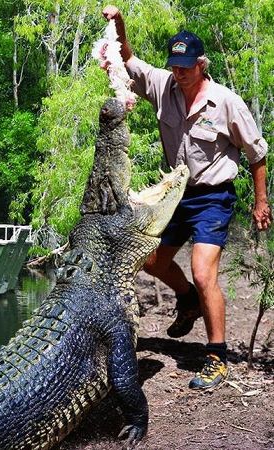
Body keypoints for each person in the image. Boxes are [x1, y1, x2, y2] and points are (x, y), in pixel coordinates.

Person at [102, 5, 271, 389]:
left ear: (202, 65)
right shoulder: (164, 85)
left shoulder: (226, 102)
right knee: (151, 261)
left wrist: (261, 202)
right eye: (175, 65)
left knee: (202, 269)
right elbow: (127, 57)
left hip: (213, 198)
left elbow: (257, 153)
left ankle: (216, 357)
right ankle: (188, 299)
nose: (179, 73)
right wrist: (118, 23)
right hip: (175, 194)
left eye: (186, 66)